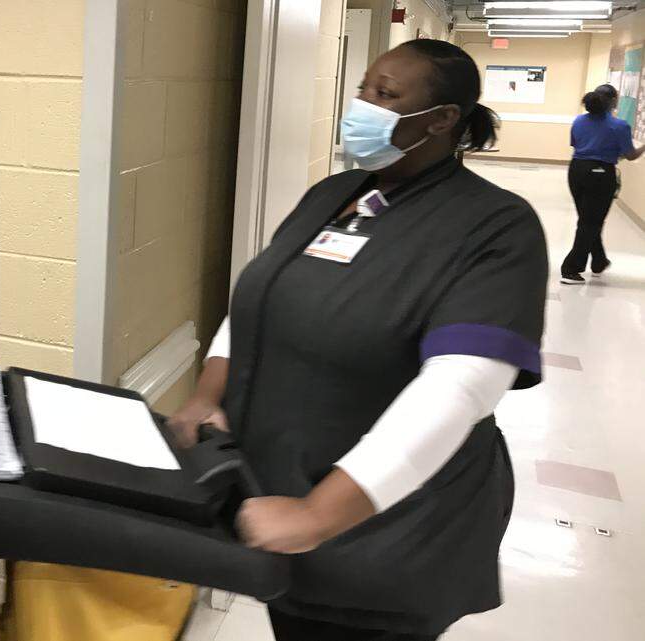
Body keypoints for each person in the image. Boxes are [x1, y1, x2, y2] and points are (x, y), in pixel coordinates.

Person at [169, 39, 548, 640]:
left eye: (386, 95)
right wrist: (207, 394)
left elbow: (462, 388)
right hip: (284, 500)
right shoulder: (335, 194)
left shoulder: (496, 227)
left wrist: (319, 513)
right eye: (364, 89)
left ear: (443, 119)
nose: (363, 105)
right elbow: (261, 298)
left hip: (390, 529)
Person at [560, 84, 645, 284]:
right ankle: (571, 269)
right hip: (600, 175)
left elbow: (576, 144)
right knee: (591, 222)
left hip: (576, 170)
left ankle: (599, 260)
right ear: (613, 101)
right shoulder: (619, 126)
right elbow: (631, 155)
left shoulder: (579, 121)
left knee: (588, 218)